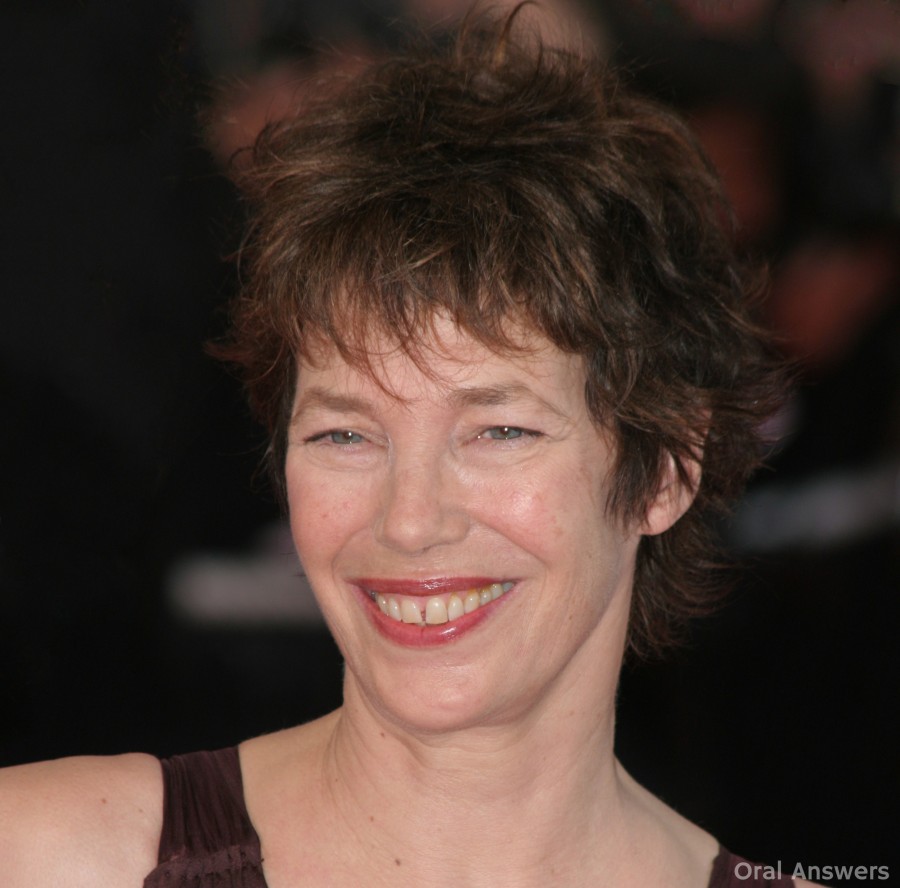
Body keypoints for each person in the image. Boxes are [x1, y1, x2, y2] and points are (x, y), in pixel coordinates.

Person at [0, 13, 816, 887]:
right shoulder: (50, 857)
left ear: (667, 466)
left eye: (500, 431)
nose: (410, 520)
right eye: (346, 434)